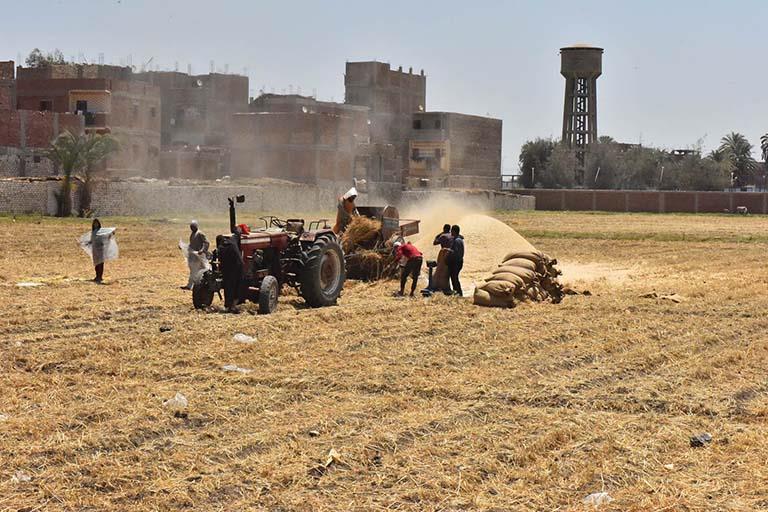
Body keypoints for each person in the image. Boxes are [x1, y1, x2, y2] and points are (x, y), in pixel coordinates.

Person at [218, 228, 243, 313]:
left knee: (228, 285)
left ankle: (228, 304)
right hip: (235, 266)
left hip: (226, 266)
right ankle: (233, 305)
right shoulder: (234, 241)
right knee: (235, 284)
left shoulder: (224, 242)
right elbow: (239, 258)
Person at [182, 220, 210, 290]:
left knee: (200, 270)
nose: (191, 228)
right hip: (194, 256)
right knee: (194, 270)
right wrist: (184, 247)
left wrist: (202, 250)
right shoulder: (192, 234)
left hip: (200, 256)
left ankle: (195, 285)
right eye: (191, 227)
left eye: (193, 227)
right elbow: (192, 245)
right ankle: (191, 285)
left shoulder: (200, 233)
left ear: (196, 226)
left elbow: (206, 243)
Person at [446, 225, 465, 296]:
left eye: (451, 230)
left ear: (454, 231)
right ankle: (457, 293)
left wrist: (448, 252)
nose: (450, 232)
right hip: (458, 262)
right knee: (454, 278)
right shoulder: (459, 239)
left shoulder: (457, 240)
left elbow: (455, 252)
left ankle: (458, 293)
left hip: (456, 263)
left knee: (454, 278)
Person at [91, 218, 105, 283]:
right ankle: (97, 276)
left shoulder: (101, 231)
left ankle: (100, 276)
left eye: (96, 223)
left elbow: (105, 238)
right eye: (94, 223)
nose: (95, 224)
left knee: (100, 264)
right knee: (96, 264)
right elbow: (92, 240)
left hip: (100, 250)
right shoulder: (93, 232)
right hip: (95, 250)